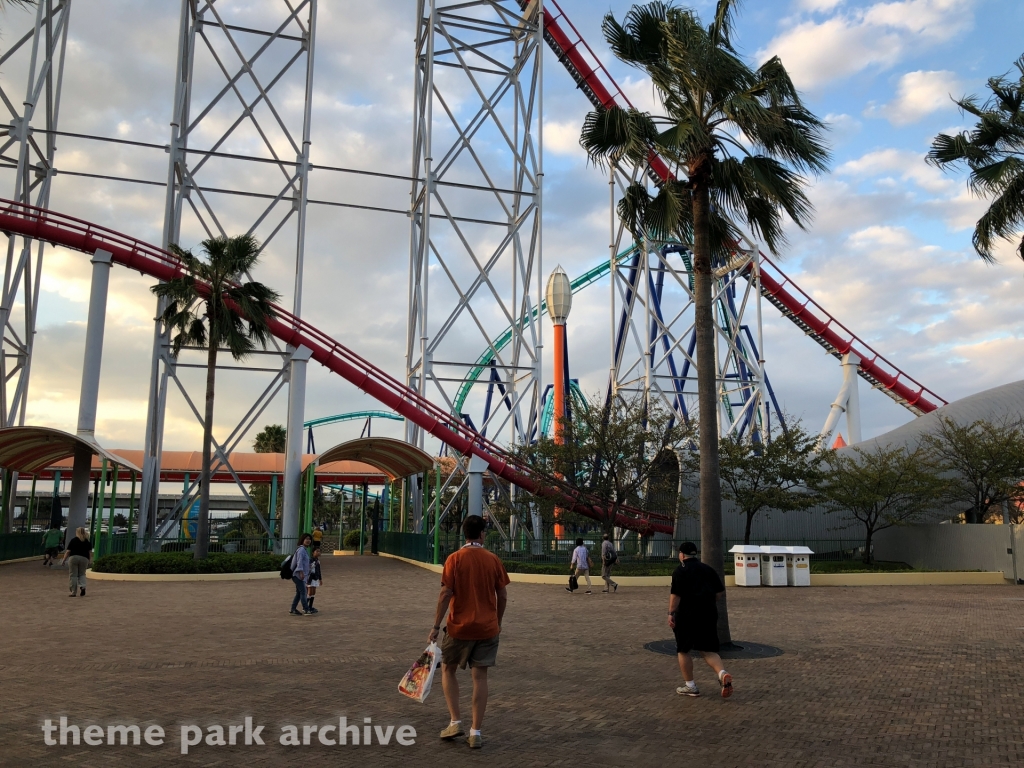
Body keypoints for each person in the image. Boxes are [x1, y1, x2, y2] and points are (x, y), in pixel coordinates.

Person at [428, 515, 509, 750]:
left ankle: (455, 721)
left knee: (448, 669)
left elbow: (445, 594)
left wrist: (435, 626)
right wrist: (498, 621)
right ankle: (476, 732)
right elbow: (502, 595)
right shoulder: (493, 559)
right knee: (480, 678)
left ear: (464, 533)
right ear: (482, 534)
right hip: (487, 628)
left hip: (458, 627)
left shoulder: (454, 559)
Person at [668, 542, 732, 699]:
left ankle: (690, 686)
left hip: (686, 615)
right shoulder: (708, 569)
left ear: (682, 555)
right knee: (708, 649)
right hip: (708, 613)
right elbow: (719, 593)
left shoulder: (680, 571)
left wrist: (670, 613)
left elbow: (676, 596)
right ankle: (722, 673)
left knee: (683, 649)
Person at [61, 528, 92, 597]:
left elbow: (68, 551)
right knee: (82, 574)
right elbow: (90, 552)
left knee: (73, 575)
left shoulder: (73, 540)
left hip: (73, 558)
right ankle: (83, 586)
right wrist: (89, 560)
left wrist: (64, 560)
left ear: (77, 532)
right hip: (84, 558)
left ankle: (73, 592)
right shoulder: (87, 542)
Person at [289, 533, 314, 616]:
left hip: (300, 575)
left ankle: (293, 609)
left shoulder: (304, 550)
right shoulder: (301, 550)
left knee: (299, 593)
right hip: (298, 574)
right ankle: (306, 609)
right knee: (303, 591)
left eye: (309, 539)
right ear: (302, 540)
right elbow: (299, 562)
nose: (308, 541)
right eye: (306, 539)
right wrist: (301, 572)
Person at [306, 546, 322, 614]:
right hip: (310, 578)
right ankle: (305, 607)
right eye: (317, 551)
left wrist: (320, 579)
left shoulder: (318, 561)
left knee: (313, 593)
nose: (318, 553)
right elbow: (308, 568)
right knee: (309, 592)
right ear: (313, 552)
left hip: (315, 577)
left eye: (319, 551)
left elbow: (319, 570)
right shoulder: (310, 560)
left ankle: (310, 606)